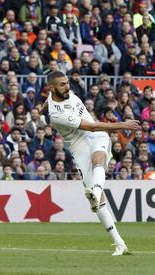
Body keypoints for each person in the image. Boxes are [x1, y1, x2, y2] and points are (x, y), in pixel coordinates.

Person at [45, 71, 140, 256]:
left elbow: (94, 130)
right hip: (79, 145)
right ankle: (120, 243)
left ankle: (94, 192)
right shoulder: (57, 115)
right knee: (101, 202)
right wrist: (123, 124)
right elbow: (92, 125)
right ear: (52, 87)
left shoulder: (58, 94)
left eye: (67, 82)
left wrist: (42, 106)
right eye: (62, 84)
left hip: (96, 137)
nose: (67, 87)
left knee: (99, 159)